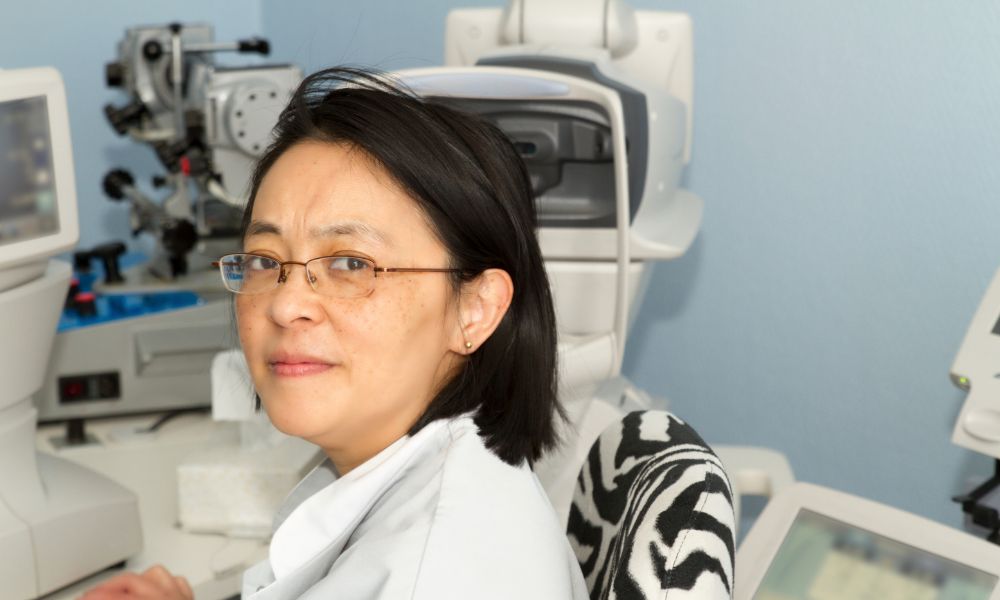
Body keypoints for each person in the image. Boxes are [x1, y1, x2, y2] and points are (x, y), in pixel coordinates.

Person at [80, 67, 588, 600]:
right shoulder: (440, 483)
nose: (285, 304)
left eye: (350, 262)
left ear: (475, 309)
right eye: (264, 259)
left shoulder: (430, 576)